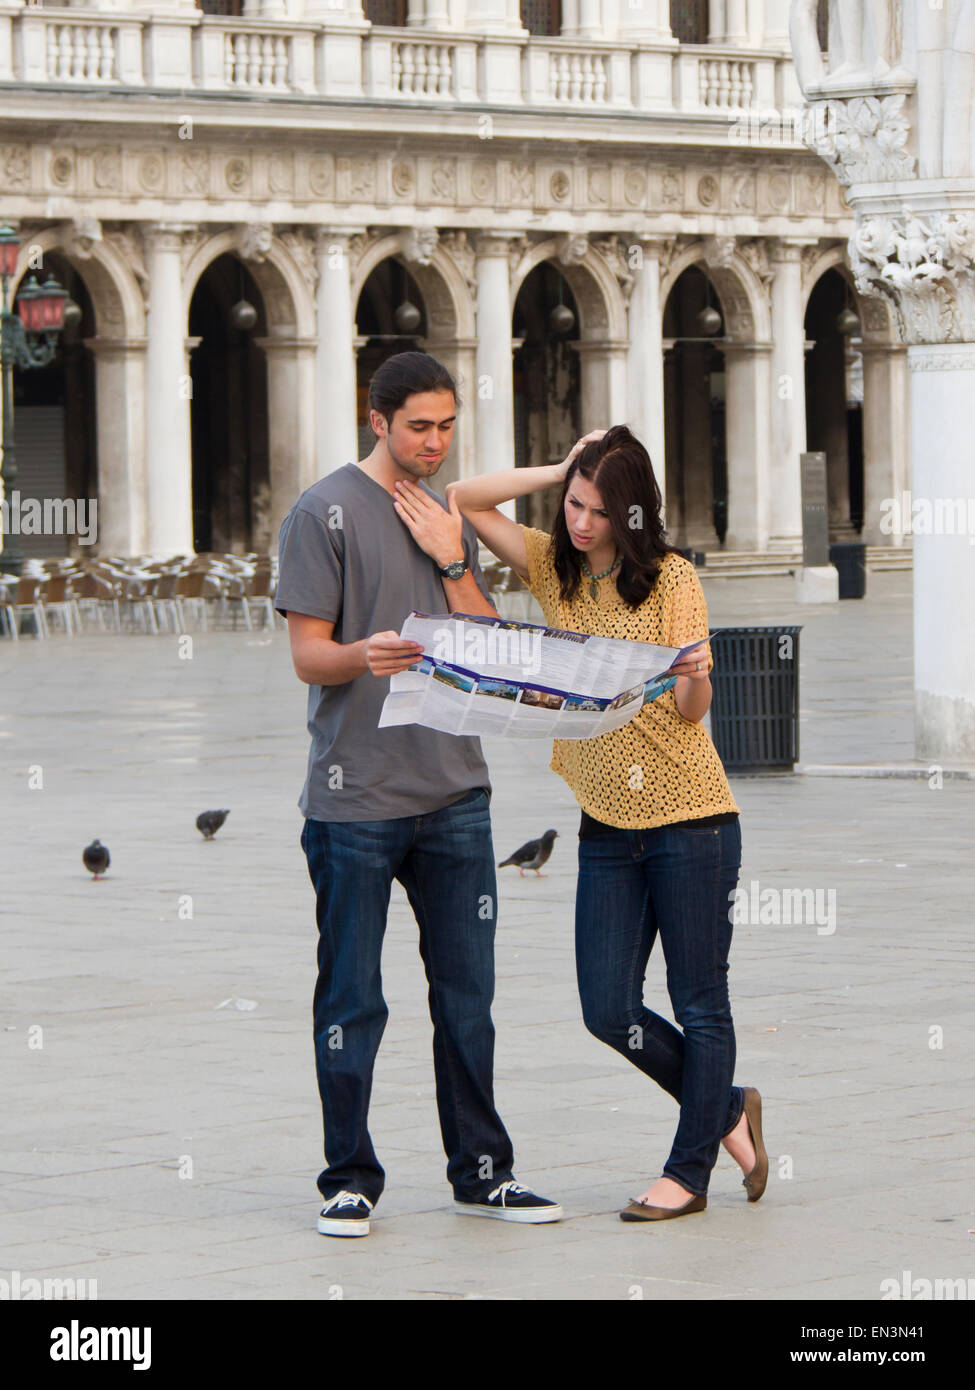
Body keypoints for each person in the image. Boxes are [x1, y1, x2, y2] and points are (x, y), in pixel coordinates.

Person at [403, 423, 767, 1222]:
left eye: (599, 511)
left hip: (691, 820)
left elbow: (694, 714)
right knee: (607, 1009)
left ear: (633, 515)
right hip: (604, 826)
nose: (580, 522)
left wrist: (697, 674)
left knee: (700, 1001)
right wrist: (562, 463)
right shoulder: (552, 571)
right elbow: (462, 499)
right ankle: (727, 1106)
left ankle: (688, 1171)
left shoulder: (671, 581)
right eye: (573, 503)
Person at [274, 351, 562, 1237]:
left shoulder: (449, 515)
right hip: (353, 799)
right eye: (417, 427)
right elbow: (306, 658)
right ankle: (348, 1178)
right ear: (377, 420)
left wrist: (450, 558)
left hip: (455, 796)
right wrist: (365, 654)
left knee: (467, 996)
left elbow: (490, 650)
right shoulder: (320, 513)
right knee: (352, 998)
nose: (434, 443)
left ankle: (483, 1172)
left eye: (445, 427)